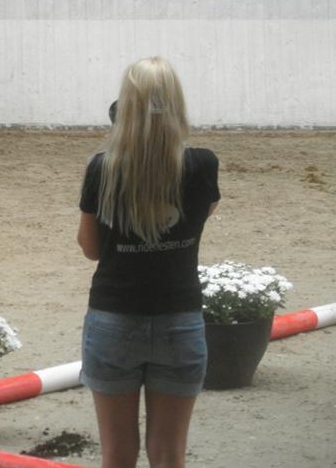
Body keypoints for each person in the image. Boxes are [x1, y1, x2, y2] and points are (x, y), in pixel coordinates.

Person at [77, 56, 220, 468]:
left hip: (114, 317)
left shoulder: (103, 168)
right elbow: (201, 215)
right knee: (169, 454)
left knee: (118, 454)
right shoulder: (203, 163)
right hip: (180, 318)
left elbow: (90, 248)